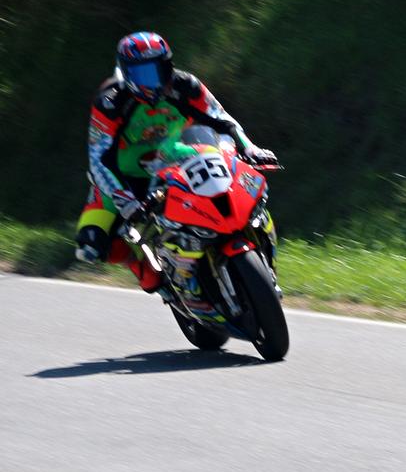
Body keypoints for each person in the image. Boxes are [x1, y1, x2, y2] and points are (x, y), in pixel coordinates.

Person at [74, 32, 278, 289]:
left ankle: (259, 255)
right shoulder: (110, 102)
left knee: (239, 193)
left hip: (178, 157)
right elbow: (98, 158)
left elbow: (221, 118)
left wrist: (249, 148)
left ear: (168, 64)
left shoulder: (186, 85)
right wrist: (124, 198)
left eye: (158, 69)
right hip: (125, 176)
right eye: (142, 74)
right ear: (126, 73)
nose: (153, 80)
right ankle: (146, 269)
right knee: (91, 242)